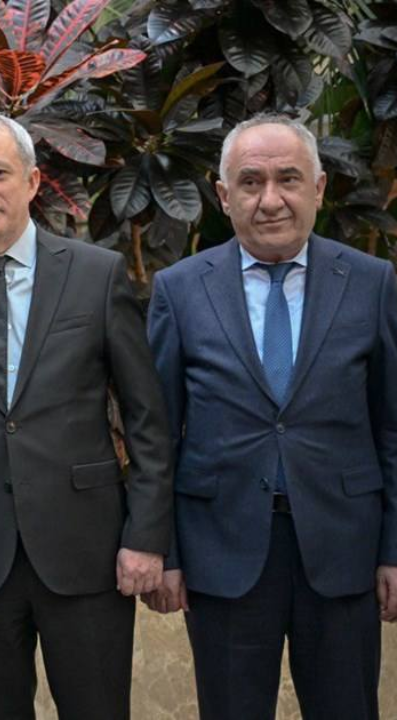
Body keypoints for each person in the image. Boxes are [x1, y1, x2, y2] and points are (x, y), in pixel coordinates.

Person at [0, 112, 173, 719]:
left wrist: (147, 538)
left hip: (87, 552)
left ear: (33, 181)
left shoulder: (95, 275)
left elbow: (147, 417)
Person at [144, 115, 396, 720]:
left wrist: (394, 548)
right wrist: (166, 552)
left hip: (343, 549)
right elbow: (158, 436)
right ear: (223, 195)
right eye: (251, 183)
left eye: (289, 179)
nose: (271, 199)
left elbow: (392, 427)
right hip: (222, 552)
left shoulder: (372, 282)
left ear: (319, 188)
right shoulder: (180, 289)